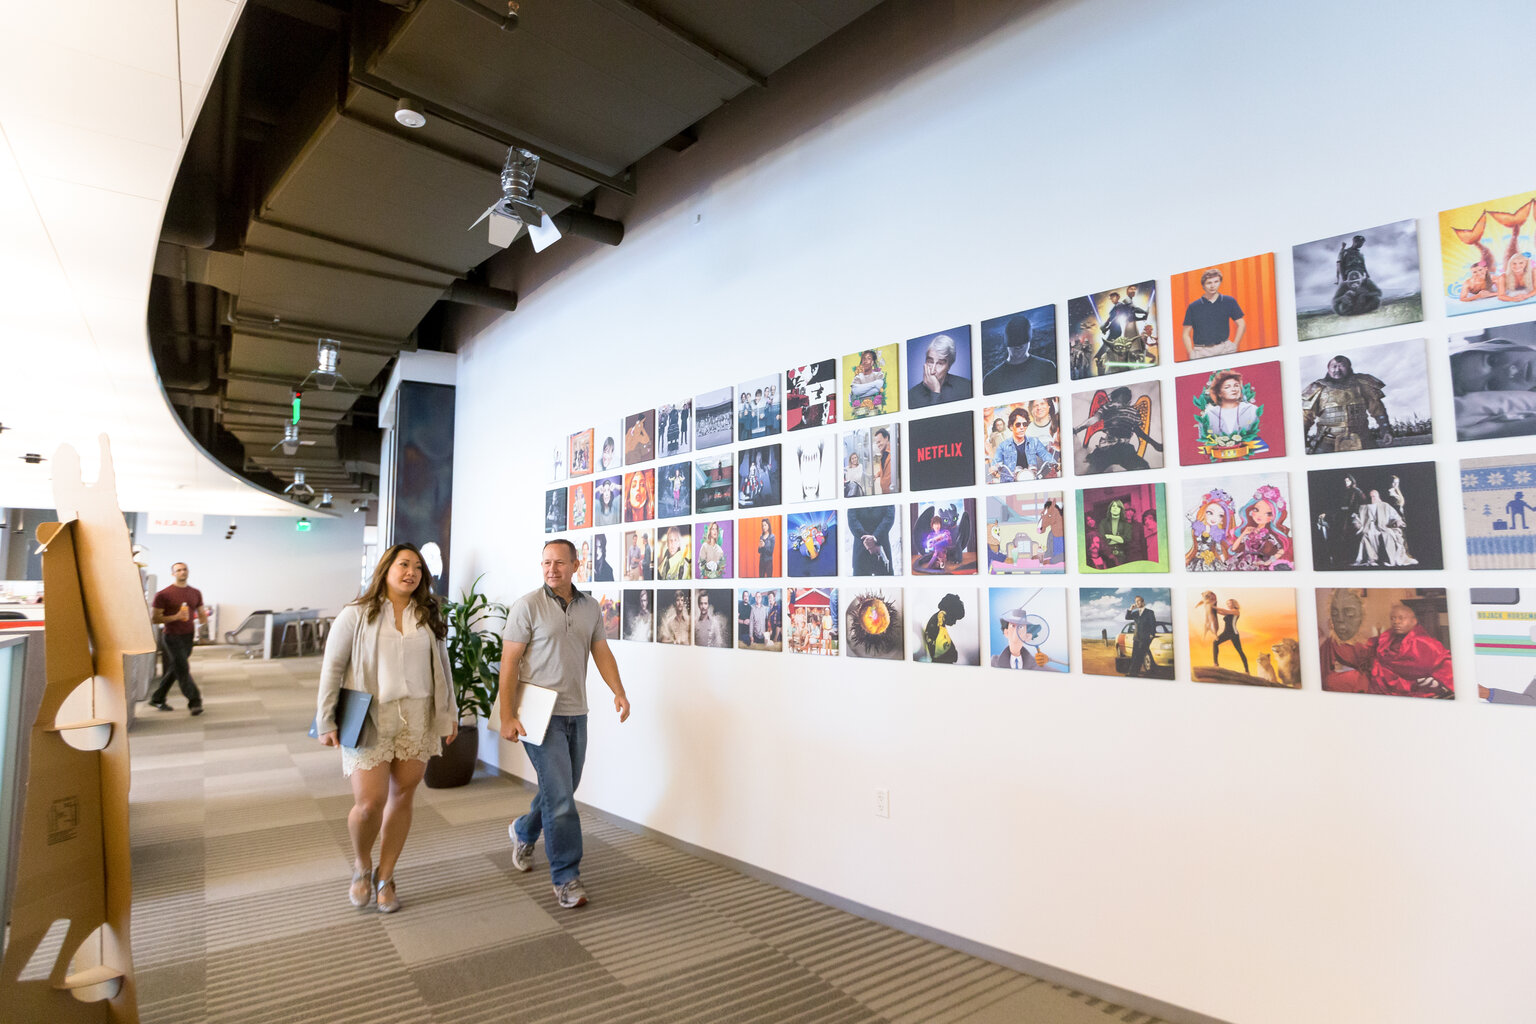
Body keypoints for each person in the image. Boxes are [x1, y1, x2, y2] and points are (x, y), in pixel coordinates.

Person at [316, 543, 457, 913]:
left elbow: (442, 667)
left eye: (417, 567)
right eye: (403, 564)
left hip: (417, 715)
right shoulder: (356, 613)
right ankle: (362, 864)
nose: (411, 572)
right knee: (369, 804)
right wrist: (325, 719)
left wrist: (449, 714)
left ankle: (386, 875)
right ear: (386, 569)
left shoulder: (427, 615)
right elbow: (332, 667)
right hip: (369, 714)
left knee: (403, 795)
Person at [501, 539, 631, 909]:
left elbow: (600, 650)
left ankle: (524, 830)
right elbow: (509, 662)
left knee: (564, 787)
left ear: (576, 564)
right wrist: (507, 715)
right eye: (546, 562)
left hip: (576, 711)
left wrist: (618, 691)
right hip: (538, 714)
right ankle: (566, 877)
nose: (551, 569)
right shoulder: (527, 606)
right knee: (560, 797)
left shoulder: (590, 607)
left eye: (559, 562)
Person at [1301, 354, 1393, 452]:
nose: (1337, 370)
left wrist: (1386, 430)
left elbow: (1378, 410)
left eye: (1342, 366)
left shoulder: (1362, 384)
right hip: (1327, 442)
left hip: (1363, 439)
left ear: (1349, 367)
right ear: (1328, 369)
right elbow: (1306, 417)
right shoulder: (1318, 387)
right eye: (1334, 366)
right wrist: (1302, 438)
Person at [148, 561, 207, 714]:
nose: (182, 572)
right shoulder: (163, 594)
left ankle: (157, 698)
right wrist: (176, 616)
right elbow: (155, 619)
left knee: (176, 668)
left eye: (184, 569)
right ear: (173, 574)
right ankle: (195, 702)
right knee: (183, 668)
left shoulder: (195, 592)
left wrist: (203, 622)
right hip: (172, 636)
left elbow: (201, 612)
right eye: (179, 570)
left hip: (188, 636)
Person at [1181, 269, 1245, 359]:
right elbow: (1185, 334)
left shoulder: (1229, 301)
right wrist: (1191, 353)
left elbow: (1241, 324)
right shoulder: (1194, 306)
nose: (1213, 286)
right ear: (1203, 285)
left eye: (1216, 282)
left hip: (1224, 349)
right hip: (1201, 352)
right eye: (1209, 283)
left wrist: (1235, 345)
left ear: (1220, 282)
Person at [984, 314, 1056, 394]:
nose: (1018, 347)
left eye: (1021, 345)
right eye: (1015, 345)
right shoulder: (991, 379)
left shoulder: (1047, 368)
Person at [1353, 489, 1416, 566]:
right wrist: (1357, 524)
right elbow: (1356, 518)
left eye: (1374, 496)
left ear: (1378, 497)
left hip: (1383, 527)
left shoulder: (1385, 505)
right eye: (1370, 497)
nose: (1372, 498)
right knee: (1366, 536)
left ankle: (1390, 560)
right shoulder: (1362, 507)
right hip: (1368, 528)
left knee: (1388, 534)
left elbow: (1395, 516)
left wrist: (1397, 521)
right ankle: (1371, 559)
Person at [908, 333, 972, 408]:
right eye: (930, 362)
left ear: (949, 366)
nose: (932, 370)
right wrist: (935, 392)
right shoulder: (911, 395)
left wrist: (935, 391)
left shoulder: (966, 387)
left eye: (940, 363)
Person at [1197, 591, 1248, 674]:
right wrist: (1209, 605)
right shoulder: (1228, 612)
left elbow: (1223, 610)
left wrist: (1213, 606)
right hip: (1226, 633)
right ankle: (1215, 663)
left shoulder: (1236, 611)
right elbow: (1219, 612)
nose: (1228, 605)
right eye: (1227, 603)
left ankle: (1247, 670)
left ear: (1234, 604)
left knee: (1240, 651)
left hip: (1234, 634)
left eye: (1229, 603)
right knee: (1215, 642)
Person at [847, 504, 895, 575]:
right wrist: (868, 540)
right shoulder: (852, 497)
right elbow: (852, 520)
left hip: (881, 548)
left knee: (886, 581)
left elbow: (889, 517)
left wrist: (874, 537)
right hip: (861, 549)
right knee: (859, 581)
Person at [1124, 595, 1158, 677]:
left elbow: (1153, 624)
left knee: (1139, 655)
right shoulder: (1135, 613)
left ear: (1143, 602)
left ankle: (1133, 673)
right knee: (1134, 656)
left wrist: (1152, 634)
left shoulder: (1149, 612)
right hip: (1136, 638)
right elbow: (1127, 617)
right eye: (1136, 602)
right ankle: (1132, 673)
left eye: (1138, 601)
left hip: (1145, 638)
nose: (1137, 603)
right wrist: (1130, 609)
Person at [849, 348, 888, 417]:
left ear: (872, 362)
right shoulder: (858, 377)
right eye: (864, 359)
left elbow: (879, 384)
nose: (865, 361)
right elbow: (855, 391)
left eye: (868, 358)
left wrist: (861, 392)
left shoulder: (878, 374)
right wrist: (874, 384)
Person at [872, 427, 895, 494]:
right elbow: (884, 469)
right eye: (877, 443)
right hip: (884, 492)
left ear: (886, 438)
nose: (878, 445)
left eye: (879, 442)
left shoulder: (894, 454)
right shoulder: (884, 454)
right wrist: (877, 474)